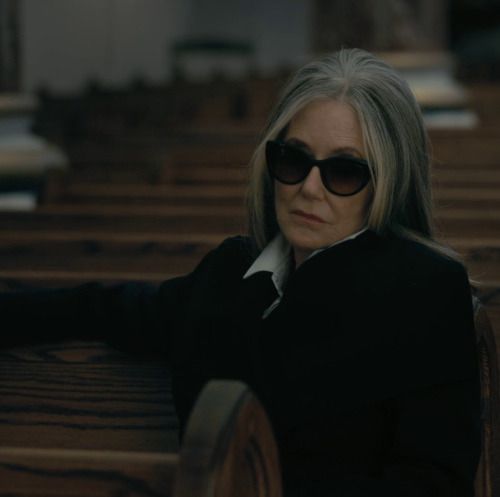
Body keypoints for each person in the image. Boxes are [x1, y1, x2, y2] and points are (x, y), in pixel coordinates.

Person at [1, 48, 480, 497]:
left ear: (388, 183)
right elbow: (107, 309)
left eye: (344, 172)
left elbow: (432, 483)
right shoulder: (230, 274)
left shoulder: (424, 292)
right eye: (293, 159)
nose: (309, 189)